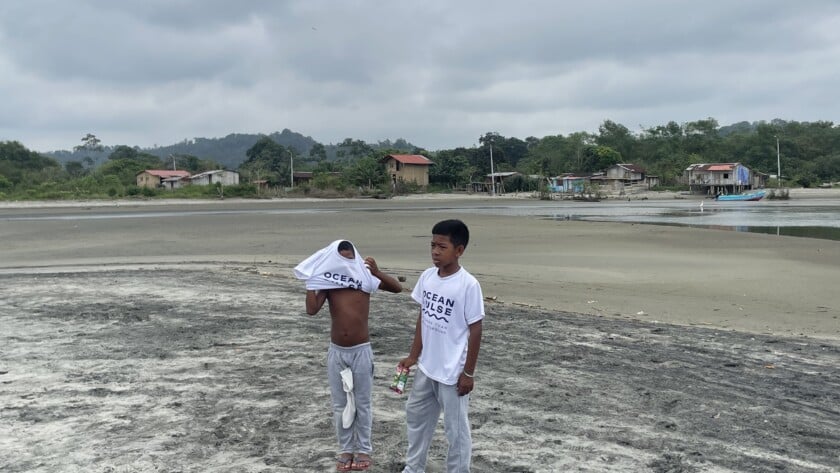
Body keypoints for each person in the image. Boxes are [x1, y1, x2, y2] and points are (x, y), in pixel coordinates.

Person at [294, 240, 403, 472]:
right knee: (340, 404)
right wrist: (311, 281)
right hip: (337, 351)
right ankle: (345, 449)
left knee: (363, 403)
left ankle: (363, 450)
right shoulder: (329, 281)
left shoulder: (364, 277)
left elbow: (397, 288)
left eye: (349, 258)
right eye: (340, 259)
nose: (345, 264)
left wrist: (377, 272)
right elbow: (311, 310)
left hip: (361, 350)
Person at [399, 219, 485, 473]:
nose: (435, 252)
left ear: (459, 250)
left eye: (442, 247)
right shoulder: (428, 277)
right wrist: (413, 355)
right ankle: (414, 467)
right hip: (428, 366)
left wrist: (468, 373)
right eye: (432, 245)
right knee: (416, 417)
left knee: (455, 429)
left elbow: (476, 329)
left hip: (452, 372)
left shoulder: (468, 285)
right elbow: (424, 316)